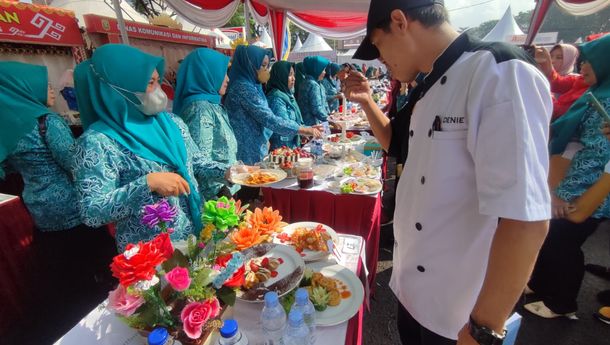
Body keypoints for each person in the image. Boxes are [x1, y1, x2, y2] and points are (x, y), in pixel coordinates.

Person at [344, 1, 552, 344]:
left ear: (399, 21)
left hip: (460, 310)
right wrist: (367, 101)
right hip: (413, 290)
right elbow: (395, 141)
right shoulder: (430, 82)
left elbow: (525, 218)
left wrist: (484, 328)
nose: (381, 59)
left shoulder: (497, 70)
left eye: (378, 46)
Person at [73, 44, 229, 251]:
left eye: (158, 81)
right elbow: (92, 211)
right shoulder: (97, 143)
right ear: (118, 88)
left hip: (194, 236)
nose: (158, 91)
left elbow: (196, 162)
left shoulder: (171, 123)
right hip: (151, 255)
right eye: (150, 83)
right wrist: (147, 184)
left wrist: (228, 171)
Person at [525, 34, 610, 319]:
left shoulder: (605, 101)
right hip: (570, 183)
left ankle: (563, 303)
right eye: (583, 59)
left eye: (591, 60)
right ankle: (540, 285)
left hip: (588, 191)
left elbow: (595, 158)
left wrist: (565, 193)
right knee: (551, 236)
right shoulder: (596, 92)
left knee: (564, 241)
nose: (583, 66)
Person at [0, 61, 80, 231]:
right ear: (25, 88)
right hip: (71, 208)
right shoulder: (47, 121)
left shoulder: (8, 128)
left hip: (36, 205)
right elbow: (74, 163)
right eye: (45, 85)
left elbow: (8, 167)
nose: (52, 90)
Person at [224, 45, 319, 165]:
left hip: (257, 146)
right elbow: (269, 118)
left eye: (267, 66)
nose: (266, 70)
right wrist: (302, 130)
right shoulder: (243, 88)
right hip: (247, 151)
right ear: (250, 64)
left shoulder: (254, 85)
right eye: (263, 65)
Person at [173, 48, 239, 200]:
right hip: (215, 194)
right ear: (207, 72)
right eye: (224, 73)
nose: (228, 79)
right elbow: (200, 161)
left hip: (225, 184)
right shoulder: (200, 109)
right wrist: (220, 192)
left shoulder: (212, 103)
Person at [535, 44, 588, 120]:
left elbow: (557, 110)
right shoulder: (579, 80)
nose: (552, 61)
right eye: (550, 56)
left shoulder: (578, 79)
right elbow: (557, 82)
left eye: (559, 58)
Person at [266, 61, 303, 150]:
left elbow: (296, 121)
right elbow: (283, 123)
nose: (293, 78)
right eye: (290, 75)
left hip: (291, 147)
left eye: (294, 75)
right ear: (280, 76)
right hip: (282, 150)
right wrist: (304, 130)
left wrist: (307, 129)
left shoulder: (288, 95)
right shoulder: (276, 97)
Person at [297, 56, 331, 126]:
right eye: (323, 70)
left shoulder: (308, 82)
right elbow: (316, 109)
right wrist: (330, 120)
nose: (325, 72)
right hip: (314, 124)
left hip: (316, 121)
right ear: (316, 70)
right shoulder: (313, 84)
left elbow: (323, 103)